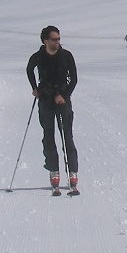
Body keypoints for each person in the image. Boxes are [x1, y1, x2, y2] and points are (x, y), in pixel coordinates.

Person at [26, 25, 79, 194]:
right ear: (45, 41)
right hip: (45, 99)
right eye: (54, 39)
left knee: (67, 136)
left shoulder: (66, 56)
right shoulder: (38, 57)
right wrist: (35, 88)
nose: (58, 42)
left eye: (58, 39)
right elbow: (29, 70)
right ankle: (54, 171)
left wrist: (65, 95)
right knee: (48, 136)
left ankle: (72, 173)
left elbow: (74, 78)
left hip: (63, 99)